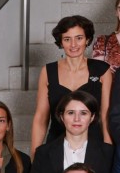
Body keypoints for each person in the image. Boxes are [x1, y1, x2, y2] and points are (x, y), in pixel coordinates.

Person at [25, 93, 115, 173]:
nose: (76, 119)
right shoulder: (43, 154)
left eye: (83, 113)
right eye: (71, 113)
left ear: (92, 117)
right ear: (62, 116)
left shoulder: (108, 153)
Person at [30, 15, 114, 150]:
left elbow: (105, 116)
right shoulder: (48, 71)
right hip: (56, 145)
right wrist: (35, 154)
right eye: (67, 39)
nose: (73, 45)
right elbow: (40, 118)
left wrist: (108, 150)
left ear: (87, 39)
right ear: (61, 42)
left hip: (94, 145)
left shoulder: (102, 70)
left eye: (79, 38)